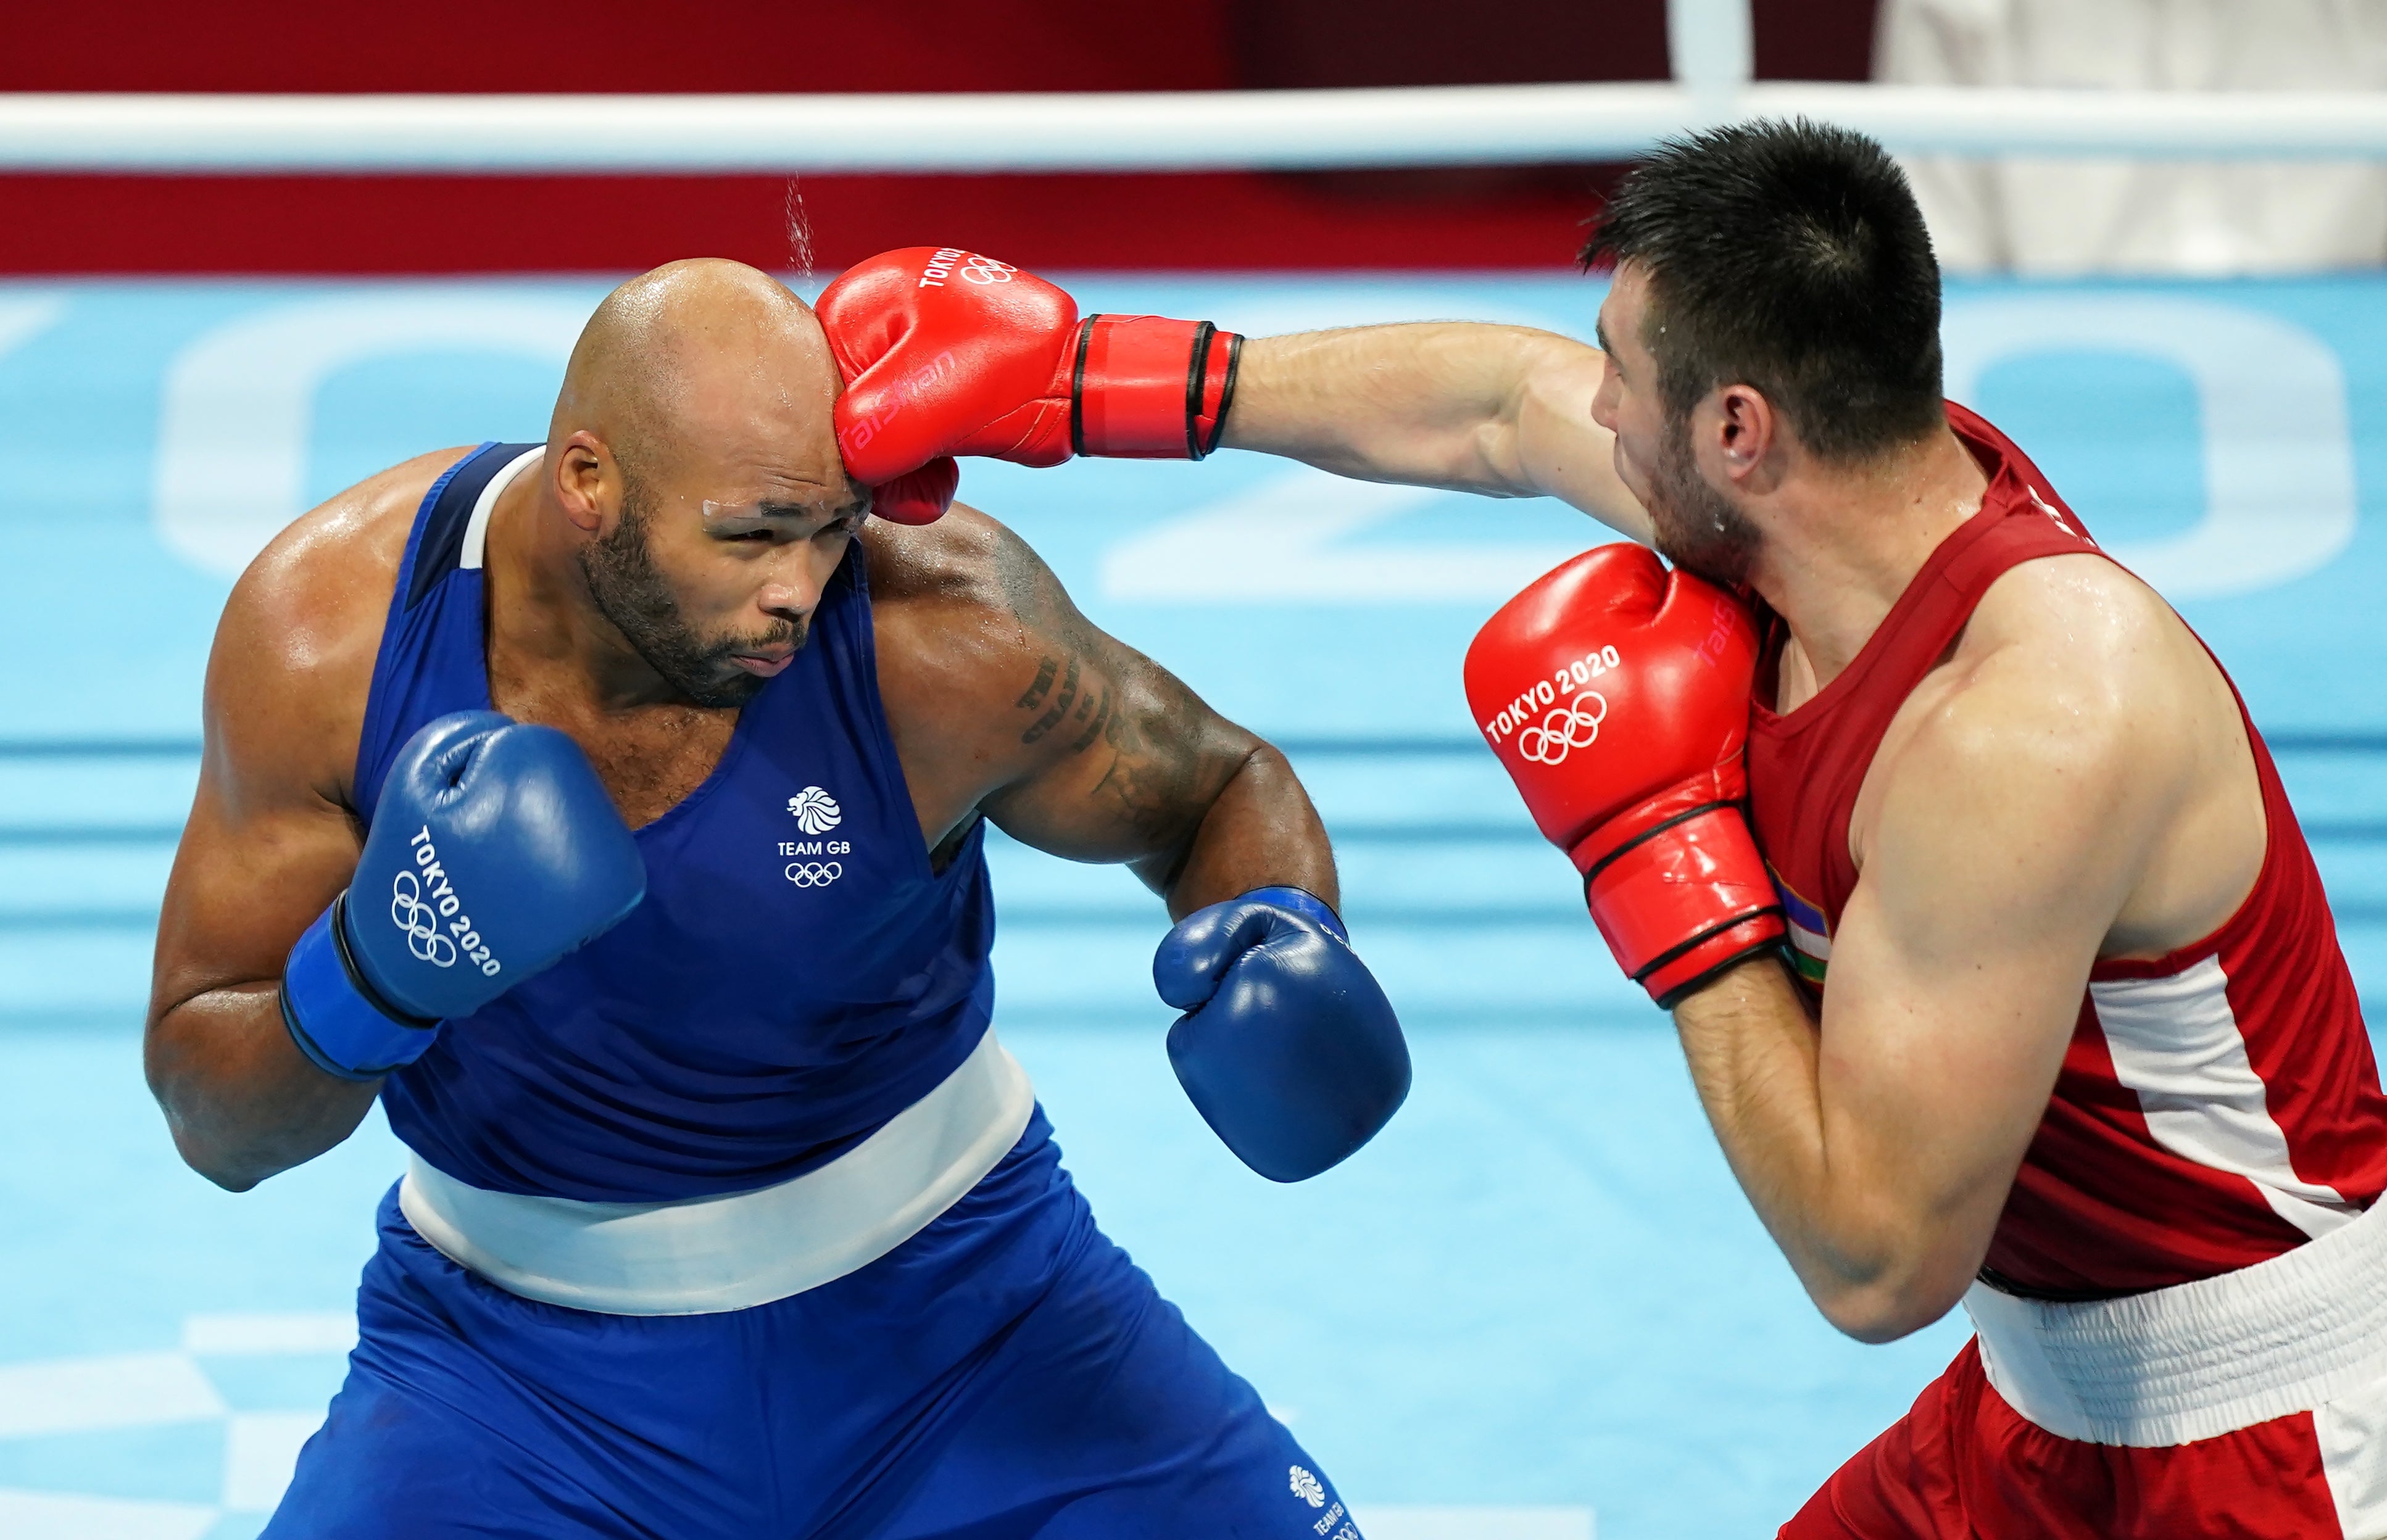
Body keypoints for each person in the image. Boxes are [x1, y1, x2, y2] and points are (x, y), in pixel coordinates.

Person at [813, 122, 2387, 1538]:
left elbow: (1873, 1261)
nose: (1594, 408)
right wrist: (1096, 375)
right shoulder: (1829, 508)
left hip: (2265, 1444)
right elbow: (1494, 405)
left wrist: (1658, 856)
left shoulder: (2029, 722)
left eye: (1622, 376)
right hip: (2039, 1399)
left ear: (1737, 432)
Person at [144, 257, 1408, 1539]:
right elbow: (218, 1125)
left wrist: (1279, 928)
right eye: (749, 534)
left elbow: (1209, 786)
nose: (797, 589)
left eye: (829, 529)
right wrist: (374, 972)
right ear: (588, 483)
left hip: (976, 1323)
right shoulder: (337, 642)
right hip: (509, 1391)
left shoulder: (938, 630)